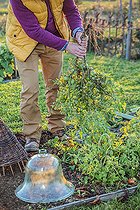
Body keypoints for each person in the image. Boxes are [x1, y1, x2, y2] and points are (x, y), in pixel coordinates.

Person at [6, 0, 87, 152]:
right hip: (25, 41)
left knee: (55, 85)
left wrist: (78, 30)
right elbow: (34, 31)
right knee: (30, 89)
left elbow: (70, 10)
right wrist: (67, 46)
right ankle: (31, 134)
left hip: (54, 39)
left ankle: (57, 127)